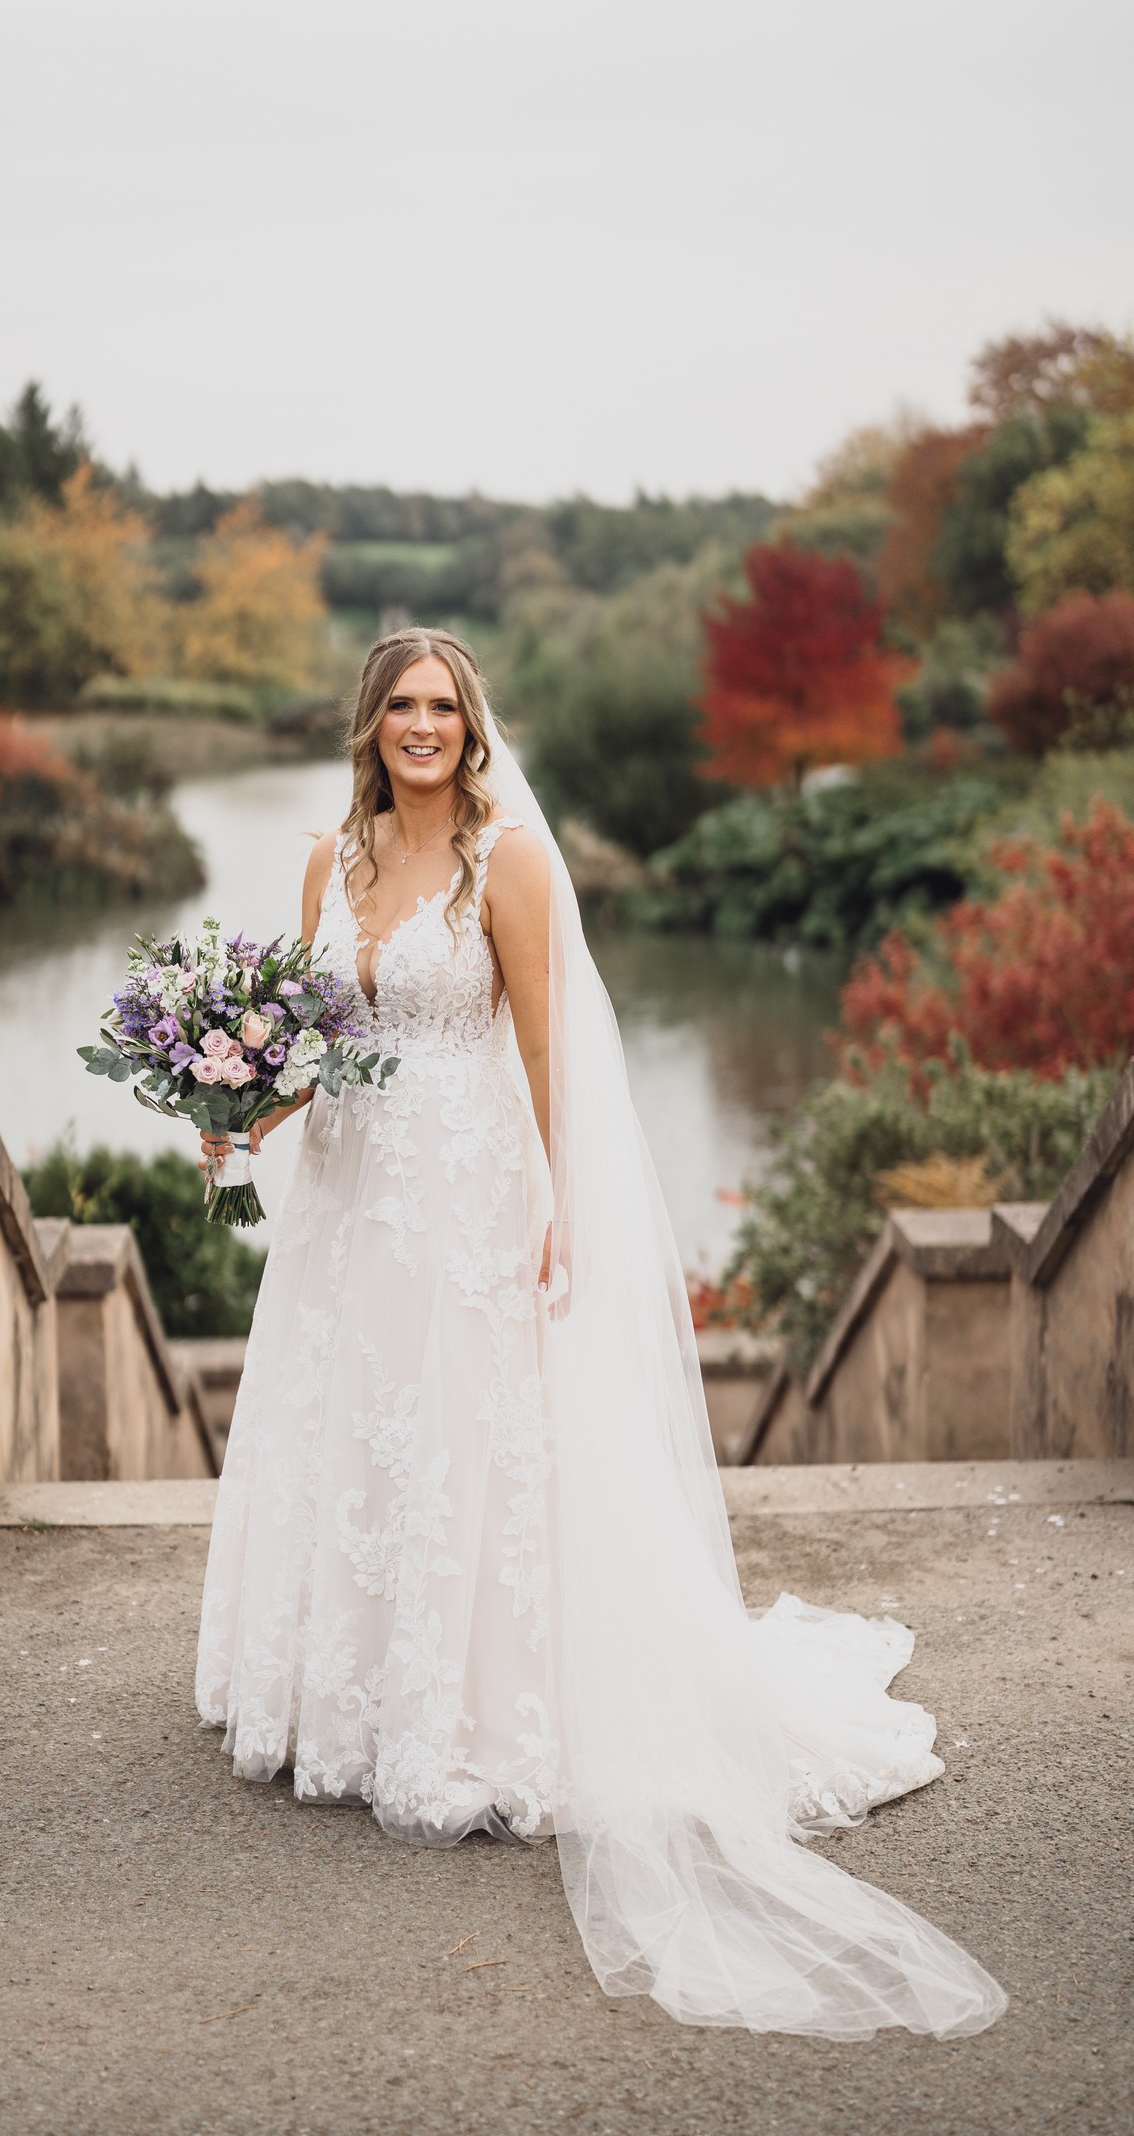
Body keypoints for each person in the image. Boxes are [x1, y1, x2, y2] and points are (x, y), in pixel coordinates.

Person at [195, 626, 1005, 2041]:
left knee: (470, 1444)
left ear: (473, 724)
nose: (425, 726)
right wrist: (232, 1118)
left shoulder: (507, 860)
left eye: (446, 706)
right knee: (356, 1432)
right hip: (348, 1201)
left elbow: (550, 1045)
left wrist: (566, 1199)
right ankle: (353, 1702)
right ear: (369, 723)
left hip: (464, 1191)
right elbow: (308, 1048)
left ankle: (479, 1719)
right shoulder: (333, 861)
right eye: (403, 705)